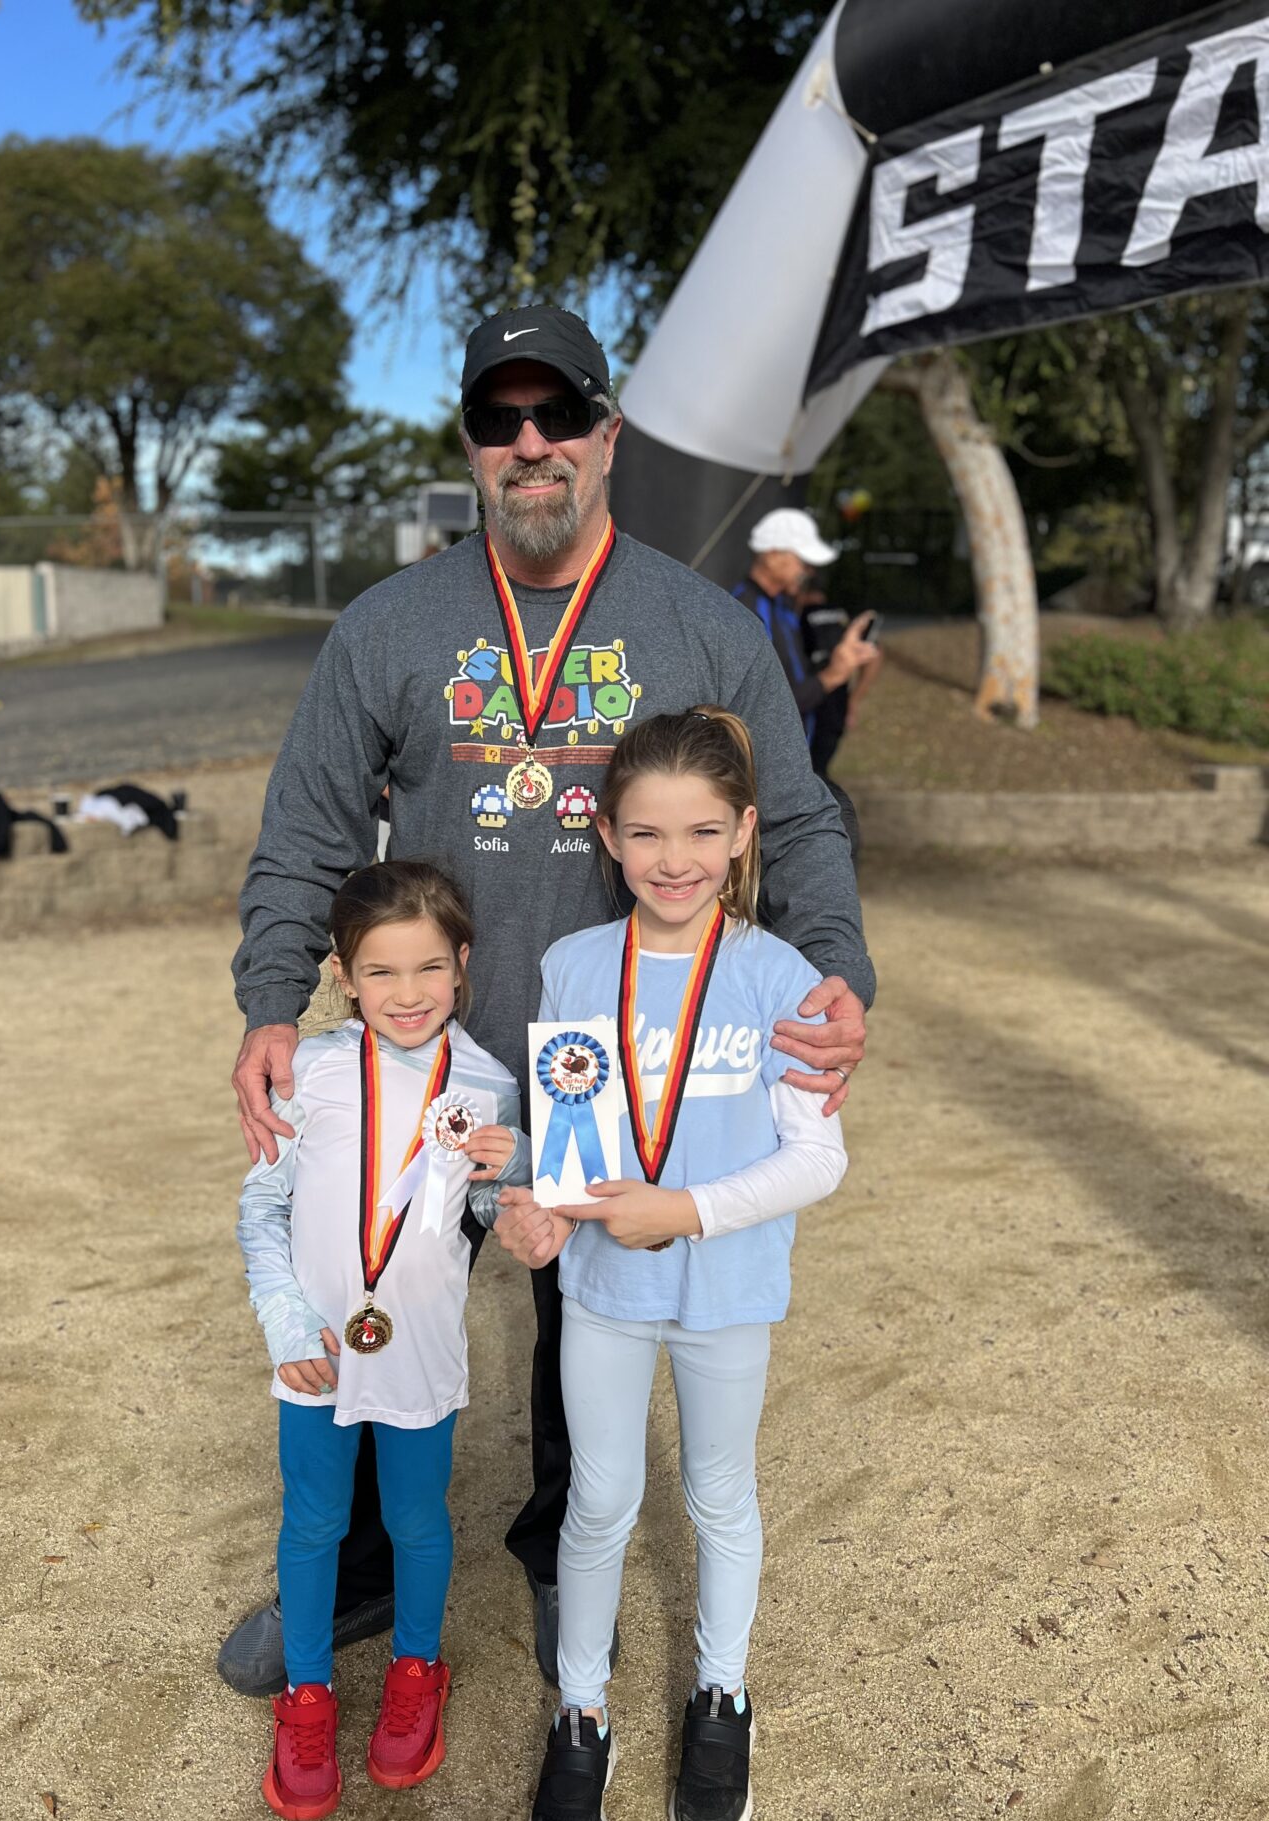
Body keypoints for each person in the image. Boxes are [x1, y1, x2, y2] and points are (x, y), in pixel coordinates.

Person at [222, 303, 875, 1700]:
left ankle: (563, 1551)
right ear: (471, 446)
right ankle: (354, 1570)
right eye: (498, 419)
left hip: (619, 1062)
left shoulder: (699, 625)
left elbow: (801, 818)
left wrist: (836, 974)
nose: (531, 444)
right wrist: (274, 999)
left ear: (607, 435)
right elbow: (307, 829)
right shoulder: (391, 625)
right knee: (370, 1288)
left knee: (593, 1317)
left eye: (558, 414)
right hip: (421, 1057)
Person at [495, 709, 848, 1821]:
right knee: (599, 1500)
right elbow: (569, 1139)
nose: (675, 858)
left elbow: (819, 1160)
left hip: (728, 1287)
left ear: (743, 832)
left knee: (717, 1496)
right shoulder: (573, 965)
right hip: (604, 1285)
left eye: (702, 831)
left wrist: (685, 1211)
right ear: (606, 835)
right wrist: (544, 1210)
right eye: (647, 833)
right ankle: (581, 1712)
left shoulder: (780, 976)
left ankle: (721, 1695)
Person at [238, 860, 528, 1821]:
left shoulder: (486, 1084)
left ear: (463, 963)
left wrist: (514, 1170)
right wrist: (286, 1322)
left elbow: (486, 1215)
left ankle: (416, 1669)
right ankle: (307, 1693)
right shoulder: (310, 1070)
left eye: (429, 967)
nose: (408, 993)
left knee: (416, 1519)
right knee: (314, 1522)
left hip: (419, 1351)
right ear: (343, 975)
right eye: (381, 972)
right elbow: (262, 1210)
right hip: (316, 1346)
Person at [732, 508, 883, 780]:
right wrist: (833, 674)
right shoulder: (746, 610)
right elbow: (768, 704)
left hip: (791, 764)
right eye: (802, 562)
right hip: (762, 772)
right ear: (772, 555)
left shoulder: (781, 607)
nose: (808, 572)